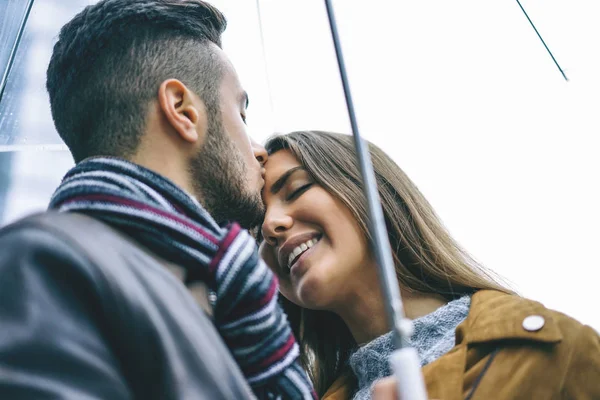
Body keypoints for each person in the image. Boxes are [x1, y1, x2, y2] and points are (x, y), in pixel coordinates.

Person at [0, 1, 316, 399]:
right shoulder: (43, 263)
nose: (259, 152)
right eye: (241, 114)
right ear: (182, 110)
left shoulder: (223, 306)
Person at [259, 130, 600, 399]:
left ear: (368, 189)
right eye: (255, 226)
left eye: (296, 189)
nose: (269, 226)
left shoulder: (559, 353)